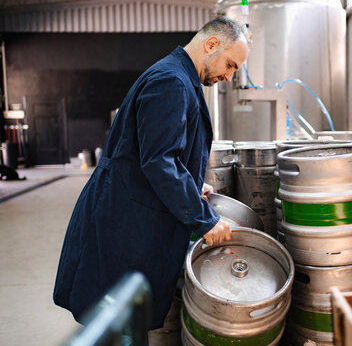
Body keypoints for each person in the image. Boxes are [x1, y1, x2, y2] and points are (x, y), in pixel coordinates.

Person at [53, 17, 251, 331]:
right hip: (123, 222)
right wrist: (204, 220)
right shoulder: (170, 82)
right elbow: (159, 161)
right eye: (230, 64)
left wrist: (191, 186)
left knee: (123, 324)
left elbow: (158, 153)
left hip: (131, 212)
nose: (229, 76)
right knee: (117, 325)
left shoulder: (178, 77)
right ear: (211, 44)